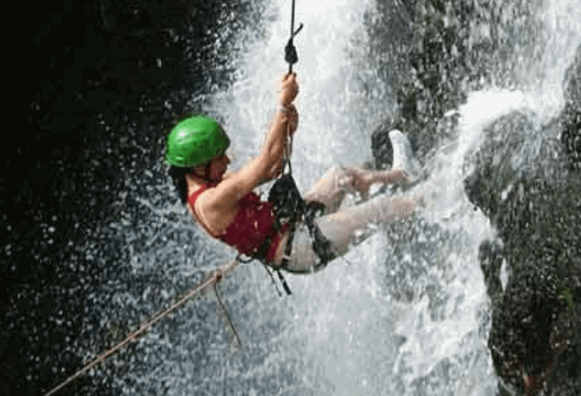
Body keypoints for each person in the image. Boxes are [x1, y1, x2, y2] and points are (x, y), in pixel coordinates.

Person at [164, 73, 423, 274]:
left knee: (340, 175)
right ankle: (437, 198)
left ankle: (401, 174)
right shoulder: (210, 203)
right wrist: (282, 104)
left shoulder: (212, 184)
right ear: (198, 167)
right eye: (218, 158)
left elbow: (272, 167)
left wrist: (285, 124)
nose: (226, 160)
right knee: (381, 208)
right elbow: (265, 164)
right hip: (299, 248)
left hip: (291, 224)